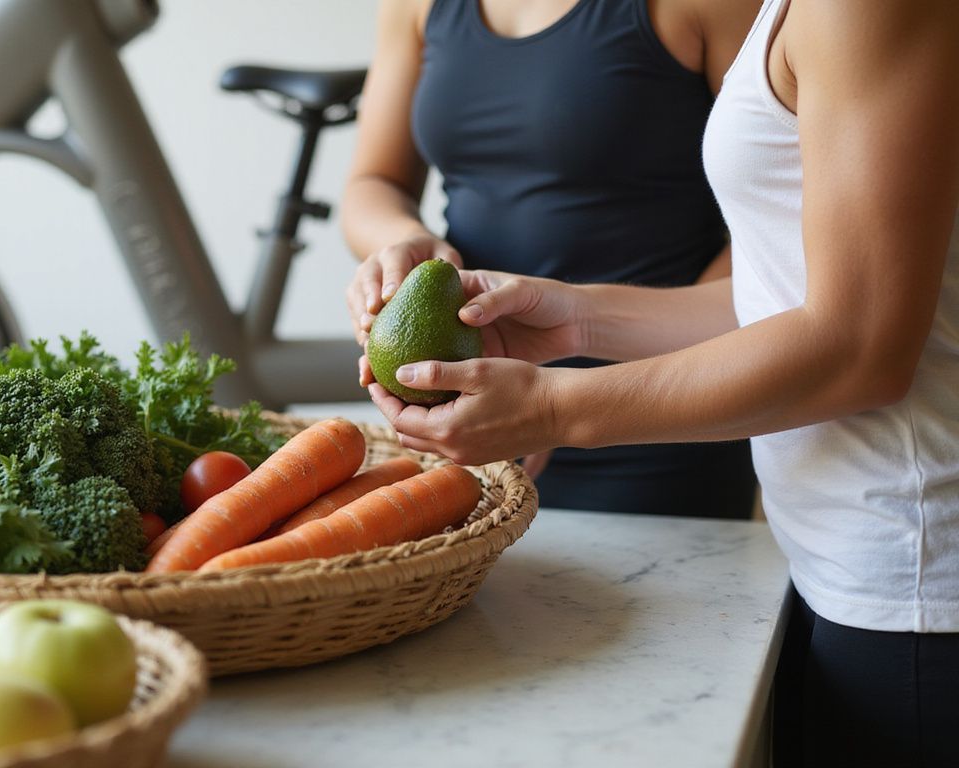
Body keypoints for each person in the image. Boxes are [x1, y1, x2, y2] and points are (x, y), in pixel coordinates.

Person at [364, 0, 959, 762]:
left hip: (913, 572)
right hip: (840, 557)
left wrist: (554, 408)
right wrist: (572, 321)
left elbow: (860, 347)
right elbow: (777, 298)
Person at [342, 0, 761, 518]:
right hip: (467, 408)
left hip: (653, 405)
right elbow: (373, 182)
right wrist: (402, 241)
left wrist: (574, 395)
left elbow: (782, 247)